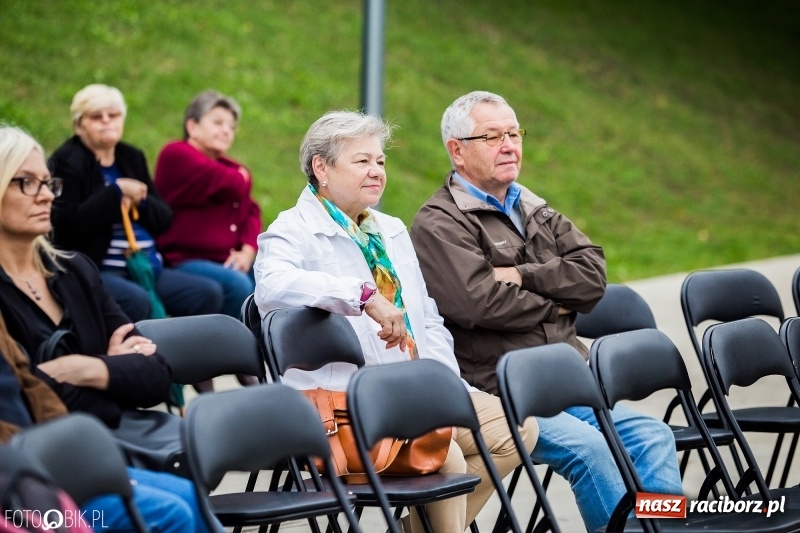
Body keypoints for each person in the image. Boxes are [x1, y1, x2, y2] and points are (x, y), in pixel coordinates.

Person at [409, 91, 684, 532]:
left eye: (514, 133)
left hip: (571, 387)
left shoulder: (530, 204)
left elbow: (592, 278)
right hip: (507, 397)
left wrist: (521, 275)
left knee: (655, 436)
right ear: (456, 150)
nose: (509, 145)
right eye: (492, 135)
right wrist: (560, 300)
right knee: (592, 451)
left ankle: (661, 530)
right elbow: (478, 302)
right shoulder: (440, 222)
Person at [254, 110, 538, 533]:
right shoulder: (292, 230)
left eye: (381, 161)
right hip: (347, 404)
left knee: (519, 429)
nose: (376, 171)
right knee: (448, 455)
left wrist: (440, 381)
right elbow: (272, 287)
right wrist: (362, 296)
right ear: (321, 168)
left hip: (411, 390)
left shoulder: (388, 229)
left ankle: (410, 530)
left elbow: (427, 316)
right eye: (363, 161)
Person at [0, 124, 222, 533]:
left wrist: (86, 368)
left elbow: (157, 376)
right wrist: (112, 371)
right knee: (173, 510)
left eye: (48, 183)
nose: (47, 194)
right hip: (36, 473)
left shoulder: (74, 270)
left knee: (189, 502)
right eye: (26, 183)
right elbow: (27, 399)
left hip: (113, 445)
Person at [48, 83, 223, 323]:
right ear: (79, 125)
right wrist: (116, 192)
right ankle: (140, 358)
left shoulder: (130, 156)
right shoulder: (68, 162)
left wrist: (139, 200)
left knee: (205, 293)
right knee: (136, 299)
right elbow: (68, 226)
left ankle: (187, 357)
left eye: (114, 115)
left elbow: (164, 218)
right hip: (100, 269)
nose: (107, 121)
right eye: (97, 117)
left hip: (146, 265)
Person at [154, 90, 261, 319]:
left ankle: (264, 347)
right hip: (183, 259)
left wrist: (247, 251)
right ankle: (232, 349)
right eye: (218, 122)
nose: (226, 130)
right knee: (237, 285)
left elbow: (251, 211)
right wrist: (243, 176)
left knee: (270, 274)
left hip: (225, 257)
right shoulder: (176, 154)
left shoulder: (229, 167)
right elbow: (231, 182)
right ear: (192, 127)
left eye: (231, 126)